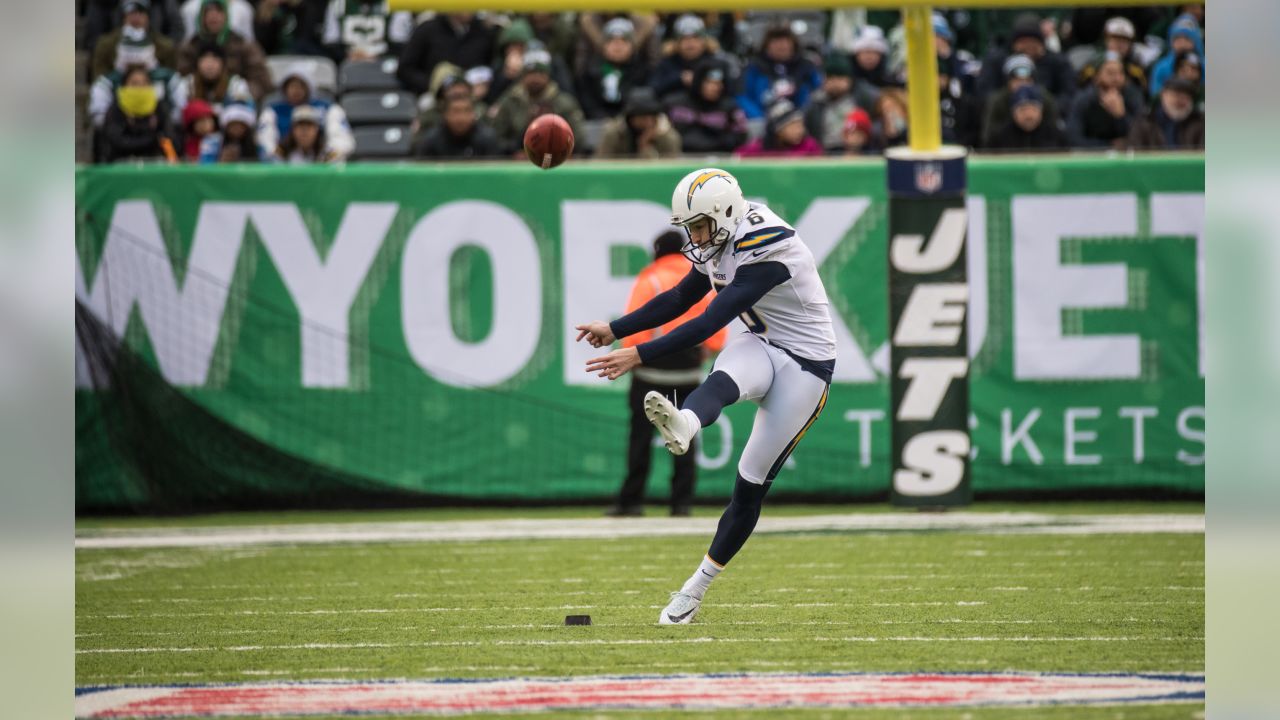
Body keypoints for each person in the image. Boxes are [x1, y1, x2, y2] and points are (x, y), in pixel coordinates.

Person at [575, 168, 837, 625]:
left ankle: (695, 589)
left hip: (806, 364)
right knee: (723, 379)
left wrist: (636, 354)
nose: (694, 237)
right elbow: (679, 298)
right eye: (690, 227)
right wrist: (614, 328)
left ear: (726, 215)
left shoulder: (767, 248)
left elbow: (707, 322)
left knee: (748, 485)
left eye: (699, 226)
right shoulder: (721, 236)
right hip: (762, 341)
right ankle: (686, 423)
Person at [604, 230, 728, 518]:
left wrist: (633, 357)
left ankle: (631, 502)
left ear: (656, 252)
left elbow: (635, 333)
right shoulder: (703, 281)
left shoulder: (651, 280)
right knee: (685, 435)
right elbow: (718, 332)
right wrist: (701, 353)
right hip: (687, 374)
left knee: (640, 440)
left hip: (650, 375)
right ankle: (681, 504)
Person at [487, 48, 586, 156]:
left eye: (540, 73)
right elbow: (496, 138)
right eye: (531, 73)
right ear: (523, 76)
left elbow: (579, 139)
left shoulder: (564, 102)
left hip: (557, 160)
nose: (536, 78)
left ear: (548, 76)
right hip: (516, 163)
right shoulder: (510, 101)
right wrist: (515, 150)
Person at [975, 13, 1076, 112]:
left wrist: (1039, 108)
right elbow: (984, 95)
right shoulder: (996, 60)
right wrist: (1015, 108)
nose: (1028, 46)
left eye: (1033, 41)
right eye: (1023, 41)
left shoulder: (1057, 62)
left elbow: (1069, 95)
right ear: (1013, 43)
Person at [176, 0, 271, 102]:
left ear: (226, 15)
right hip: (198, 103)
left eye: (218, 11)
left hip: (236, 103)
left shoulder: (244, 45)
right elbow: (182, 76)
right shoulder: (190, 46)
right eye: (208, 12)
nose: (213, 16)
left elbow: (261, 80)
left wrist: (243, 94)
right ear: (201, 17)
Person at [256, 65, 354, 161]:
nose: (296, 90)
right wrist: (277, 156)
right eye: (292, 86)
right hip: (285, 163)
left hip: (321, 162)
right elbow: (265, 141)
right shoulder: (273, 111)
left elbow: (341, 139)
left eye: (300, 86)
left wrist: (329, 157)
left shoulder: (328, 108)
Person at [397, 13, 498, 96]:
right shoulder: (427, 30)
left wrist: (485, 84)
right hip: (434, 97)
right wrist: (436, 86)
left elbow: (493, 66)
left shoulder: (485, 31)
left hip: (475, 96)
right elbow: (405, 69)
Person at [663, 58, 747, 156]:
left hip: (719, 158)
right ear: (698, 82)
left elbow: (741, 134)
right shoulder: (674, 103)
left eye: (719, 83)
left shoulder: (730, 107)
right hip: (680, 157)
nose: (715, 87)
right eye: (709, 82)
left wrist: (725, 142)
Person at [737, 23, 821, 120]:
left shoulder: (806, 67)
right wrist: (758, 117)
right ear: (767, 45)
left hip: (798, 122)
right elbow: (742, 96)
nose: (781, 46)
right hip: (762, 121)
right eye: (776, 42)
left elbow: (817, 94)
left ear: (793, 44)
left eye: (786, 41)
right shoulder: (754, 67)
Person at [575, 17, 651, 120]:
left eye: (624, 41)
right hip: (595, 123)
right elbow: (587, 102)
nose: (618, 46)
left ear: (632, 46)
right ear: (604, 46)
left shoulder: (643, 72)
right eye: (612, 41)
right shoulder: (589, 72)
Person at [100, 64, 178, 163]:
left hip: (155, 162)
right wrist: (151, 140)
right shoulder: (116, 109)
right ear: (125, 85)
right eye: (134, 83)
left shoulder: (159, 107)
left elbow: (169, 139)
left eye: (144, 83)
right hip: (122, 163)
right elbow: (117, 141)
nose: (140, 87)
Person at [1066, 52, 1145, 149]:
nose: (1116, 78)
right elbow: (1073, 139)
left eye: (1120, 73)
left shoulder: (1133, 96)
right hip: (1092, 157)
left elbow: (1143, 138)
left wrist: (1121, 116)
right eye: (1110, 73)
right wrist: (1109, 145)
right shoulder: (1084, 100)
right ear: (1096, 76)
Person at [980, 53, 1059, 148]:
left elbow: (1054, 133)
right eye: (1017, 80)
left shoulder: (1046, 99)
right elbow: (988, 137)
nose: (1022, 84)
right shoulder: (997, 102)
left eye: (1027, 80)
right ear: (1008, 81)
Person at [803, 53, 874, 153]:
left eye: (840, 78)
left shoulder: (863, 98)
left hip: (858, 152)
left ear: (849, 80)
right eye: (831, 78)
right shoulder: (815, 103)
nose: (835, 82)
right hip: (825, 154)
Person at [91, 0, 177, 79]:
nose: (136, 18)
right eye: (132, 13)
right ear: (124, 17)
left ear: (148, 17)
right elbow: (99, 78)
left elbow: (171, 77)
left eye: (141, 13)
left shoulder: (165, 47)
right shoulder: (106, 45)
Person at [596, 88, 681, 158]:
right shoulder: (614, 133)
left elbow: (669, 169)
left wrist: (645, 146)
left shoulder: (667, 136)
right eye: (643, 118)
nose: (648, 122)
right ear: (632, 118)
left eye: (652, 117)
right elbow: (600, 164)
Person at [650, 14, 719, 99]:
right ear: (677, 43)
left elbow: (728, 92)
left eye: (695, 38)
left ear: (704, 41)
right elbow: (654, 88)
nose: (690, 43)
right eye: (685, 39)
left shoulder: (714, 62)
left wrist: (701, 83)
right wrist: (680, 78)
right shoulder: (667, 62)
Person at [177, 42, 253, 118]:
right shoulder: (187, 85)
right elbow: (178, 115)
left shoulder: (236, 84)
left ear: (223, 64)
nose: (210, 65)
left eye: (215, 60)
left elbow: (243, 114)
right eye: (205, 60)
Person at [321, 0, 414, 61]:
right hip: (346, 62)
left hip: (384, 63)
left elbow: (400, 44)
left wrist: (378, 57)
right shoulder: (338, 4)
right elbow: (331, 44)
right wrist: (347, 55)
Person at [413, 95, 502, 158]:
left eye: (466, 111)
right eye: (456, 111)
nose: (461, 118)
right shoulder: (431, 141)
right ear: (445, 114)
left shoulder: (488, 138)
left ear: (474, 114)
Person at [1126, 77, 1204, 150]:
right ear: (1163, 95)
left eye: (1185, 97)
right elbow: (1136, 152)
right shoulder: (1144, 122)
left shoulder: (1200, 123)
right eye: (1175, 95)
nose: (1180, 101)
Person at [1076, 17, 1148, 94]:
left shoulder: (1135, 68)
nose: (1120, 45)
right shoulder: (1094, 64)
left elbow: (1144, 93)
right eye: (1116, 39)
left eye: (1125, 41)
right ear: (1106, 40)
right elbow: (1080, 87)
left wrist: (1126, 84)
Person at [986, 85, 1066, 151]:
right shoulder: (998, 139)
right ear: (1013, 112)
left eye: (1033, 109)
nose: (1029, 115)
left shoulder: (1056, 136)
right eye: (1023, 110)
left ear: (1041, 111)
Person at [736, 100, 823, 158]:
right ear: (778, 130)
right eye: (793, 126)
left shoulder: (810, 146)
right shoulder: (757, 149)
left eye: (800, 125)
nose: (800, 130)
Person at [1148, 14, 1204, 99]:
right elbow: (1156, 94)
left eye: (1187, 39)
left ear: (1196, 42)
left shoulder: (1206, 65)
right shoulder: (1161, 66)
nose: (1182, 44)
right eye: (1177, 39)